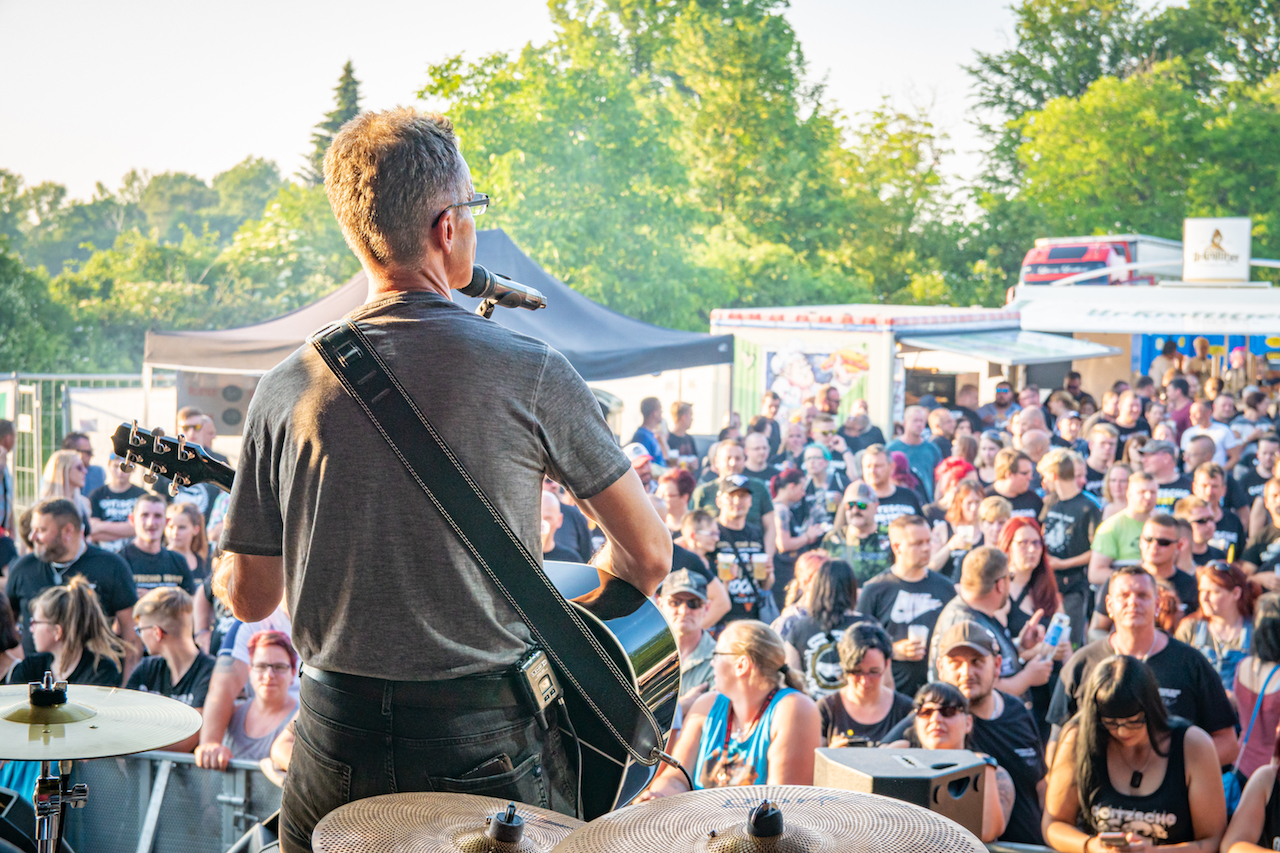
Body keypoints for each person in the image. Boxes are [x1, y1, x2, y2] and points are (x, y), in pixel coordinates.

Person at [215, 109, 671, 848]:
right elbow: (648, 556)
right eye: (474, 209)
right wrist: (562, 615)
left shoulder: (286, 386)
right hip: (484, 738)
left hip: (333, 733)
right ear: (447, 227)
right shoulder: (532, 371)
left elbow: (250, 597)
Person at [1048, 567, 1240, 768]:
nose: (1133, 602)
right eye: (1124, 596)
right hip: (1098, 784)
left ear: (1157, 604)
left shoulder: (1191, 663)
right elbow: (1056, 742)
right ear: (1109, 605)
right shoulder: (1082, 664)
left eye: (1142, 595)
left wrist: (1172, 771)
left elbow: (1227, 744)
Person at [1043, 654, 1227, 852]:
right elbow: (1053, 824)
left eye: (1134, 722)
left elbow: (1213, 840)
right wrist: (1091, 846)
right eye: (1111, 723)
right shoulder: (1078, 738)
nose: (1123, 732)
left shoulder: (1193, 744)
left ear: (1152, 709)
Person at [638, 620, 820, 796]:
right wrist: (657, 795)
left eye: (716, 655)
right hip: (704, 817)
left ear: (742, 665)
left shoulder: (793, 709)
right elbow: (675, 778)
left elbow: (782, 801)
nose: (712, 663)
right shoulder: (706, 705)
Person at [5, 497, 141, 670]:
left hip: (94, 677)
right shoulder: (23, 568)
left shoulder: (111, 566)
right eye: (33, 530)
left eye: (41, 530)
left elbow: (131, 633)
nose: (33, 537)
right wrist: (17, 669)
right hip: (35, 677)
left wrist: (128, 683)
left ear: (68, 531)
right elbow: (7, 626)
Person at [885, 680, 1014, 843]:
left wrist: (985, 767)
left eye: (948, 711)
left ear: (968, 723)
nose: (936, 719)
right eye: (926, 712)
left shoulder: (991, 771)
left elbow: (988, 832)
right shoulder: (897, 758)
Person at [927, 545, 1059, 698]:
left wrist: (1019, 645)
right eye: (1010, 576)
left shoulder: (976, 613)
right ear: (1000, 584)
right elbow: (973, 686)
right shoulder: (966, 625)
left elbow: (989, 654)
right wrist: (1027, 678)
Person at [857, 515, 957, 697]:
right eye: (917, 543)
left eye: (928, 541)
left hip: (938, 693)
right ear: (897, 547)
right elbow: (858, 643)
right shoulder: (875, 590)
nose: (926, 548)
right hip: (891, 694)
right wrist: (892, 650)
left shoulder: (945, 587)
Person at [126, 586, 216, 750]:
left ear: (156, 632)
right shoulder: (146, 669)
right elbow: (120, 719)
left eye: (140, 630)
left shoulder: (210, 671)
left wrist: (132, 741)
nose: (140, 637)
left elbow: (189, 739)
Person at [778, 560, 865, 698]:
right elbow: (884, 679)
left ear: (817, 588)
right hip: (859, 706)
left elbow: (791, 680)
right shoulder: (867, 626)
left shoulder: (799, 628)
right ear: (851, 588)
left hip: (812, 707)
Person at [819, 622, 913, 747]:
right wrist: (831, 754)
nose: (865, 681)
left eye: (874, 672)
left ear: (887, 664)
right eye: (857, 672)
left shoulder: (907, 711)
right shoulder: (825, 710)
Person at [1041, 453, 1101, 645]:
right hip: (1048, 582)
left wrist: (1063, 563)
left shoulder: (1088, 507)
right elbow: (1042, 530)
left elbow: (1097, 551)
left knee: (1070, 640)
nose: (1043, 482)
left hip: (1074, 586)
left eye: (1045, 476)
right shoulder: (1051, 501)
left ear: (1053, 476)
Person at [216, 630, 300, 762]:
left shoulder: (302, 721)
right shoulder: (230, 714)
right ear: (250, 671)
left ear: (293, 673)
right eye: (261, 666)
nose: (269, 675)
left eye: (279, 667)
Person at [1175, 561, 1258, 690]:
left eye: (1213, 592)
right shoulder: (1190, 628)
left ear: (1236, 593)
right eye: (1202, 591)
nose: (1204, 598)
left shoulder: (1256, 631)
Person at [713, 474, 775, 623]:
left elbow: (766, 585)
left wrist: (768, 574)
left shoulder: (756, 533)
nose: (737, 501)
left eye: (742, 496)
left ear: (750, 501)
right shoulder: (712, 532)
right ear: (719, 501)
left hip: (753, 616)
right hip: (721, 618)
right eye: (731, 496)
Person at [656, 570, 718, 717]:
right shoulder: (644, 653)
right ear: (660, 604)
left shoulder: (720, 658)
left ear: (707, 608)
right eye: (675, 602)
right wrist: (680, 707)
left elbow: (716, 716)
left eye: (693, 604)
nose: (684, 611)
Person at [1089, 471, 1159, 586]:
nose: (1148, 497)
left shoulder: (1162, 527)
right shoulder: (1110, 527)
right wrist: (1135, 580)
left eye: (1153, 492)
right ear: (1129, 494)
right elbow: (1095, 573)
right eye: (1142, 492)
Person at [123, 494, 197, 595]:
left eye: (157, 516)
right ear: (132, 519)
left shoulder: (179, 562)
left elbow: (191, 602)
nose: (151, 523)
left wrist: (151, 596)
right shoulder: (119, 561)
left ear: (166, 522)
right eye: (145, 515)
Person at [821, 482, 892, 585]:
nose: (854, 510)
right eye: (849, 505)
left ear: (876, 507)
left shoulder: (890, 535)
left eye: (861, 505)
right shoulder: (833, 538)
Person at [672, 509, 733, 628]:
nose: (716, 539)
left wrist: (727, 582)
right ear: (693, 535)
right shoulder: (683, 560)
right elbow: (723, 603)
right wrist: (694, 632)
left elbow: (721, 601)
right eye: (711, 534)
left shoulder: (711, 559)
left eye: (717, 533)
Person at [770, 468, 824, 600]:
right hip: (782, 573)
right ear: (791, 487)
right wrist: (807, 537)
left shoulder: (785, 509)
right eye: (801, 488)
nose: (803, 493)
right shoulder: (780, 510)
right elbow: (783, 544)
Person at [87, 453, 146, 554]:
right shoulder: (97, 495)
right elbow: (93, 532)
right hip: (105, 554)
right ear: (109, 466)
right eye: (115, 466)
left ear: (134, 469)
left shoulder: (142, 496)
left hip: (135, 554)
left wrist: (101, 526)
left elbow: (141, 528)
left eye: (126, 467)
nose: (120, 471)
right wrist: (128, 530)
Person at [928, 479, 986, 580]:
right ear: (959, 503)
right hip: (949, 585)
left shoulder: (987, 528)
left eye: (977, 502)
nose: (973, 508)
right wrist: (949, 546)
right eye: (969, 503)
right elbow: (931, 567)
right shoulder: (943, 529)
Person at [861, 444, 924, 534]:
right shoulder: (857, 500)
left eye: (878, 466)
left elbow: (923, 527)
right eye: (868, 466)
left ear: (892, 467)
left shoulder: (909, 496)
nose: (872, 471)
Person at [1194, 462, 1248, 560]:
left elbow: (1241, 559)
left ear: (1224, 490)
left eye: (1214, 486)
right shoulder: (1186, 520)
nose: (1209, 492)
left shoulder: (1233, 521)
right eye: (1204, 486)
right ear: (1195, 488)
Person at [888, 406, 943, 501]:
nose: (919, 424)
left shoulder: (932, 448)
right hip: (900, 499)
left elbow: (940, 476)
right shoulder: (892, 448)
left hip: (926, 500)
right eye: (915, 421)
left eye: (921, 421)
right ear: (905, 423)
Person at [41, 448, 92, 531]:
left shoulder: (84, 503)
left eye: (84, 467)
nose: (85, 471)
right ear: (63, 471)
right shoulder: (44, 507)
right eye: (79, 467)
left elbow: (88, 536)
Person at [1183, 400, 1243, 469]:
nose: (1192, 416)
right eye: (1191, 414)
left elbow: (1235, 457)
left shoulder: (1223, 430)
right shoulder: (1187, 434)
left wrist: (1220, 471)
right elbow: (1185, 458)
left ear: (1208, 413)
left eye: (1196, 413)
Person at [987, 448, 1043, 519]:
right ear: (1009, 474)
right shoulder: (986, 499)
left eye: (1031, 472)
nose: (1030, 478)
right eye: (1025, 473)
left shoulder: (1034, 500)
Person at [1172, 496, 1227, 565]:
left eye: (1211, 519)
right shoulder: (1173, 558)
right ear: (1184, 525)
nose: (1210, 525)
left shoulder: (1220, 557)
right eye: (1201, 521)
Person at [166, 501, 211, 582]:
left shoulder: (202, 561)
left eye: (182, 527)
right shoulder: (159, 559)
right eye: (171, 527)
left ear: (196, 529)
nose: (175, 533)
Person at [1243, 478, 1280, 574]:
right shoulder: (1260, 538)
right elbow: (1246, 575)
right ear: (1266, 502)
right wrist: (1259, 578)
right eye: (1275, 496)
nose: (1279, 500)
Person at [61, 431, 105, 498]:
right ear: (73, 452)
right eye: (88, 452)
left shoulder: (97, 472)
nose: (92, 455)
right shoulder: (53, 477)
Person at [628, 396, 668, 466]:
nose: (662, 412)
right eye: (660, 409)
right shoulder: (641, 436)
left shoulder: (652, 435)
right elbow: (645, 466)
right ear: (654, 413)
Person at [1084, 424, 1120, 500]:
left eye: (1112, 444)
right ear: (1091, 445)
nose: (1108, 447)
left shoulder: (1115, 473)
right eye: (1102, 443)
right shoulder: (1081, 471)